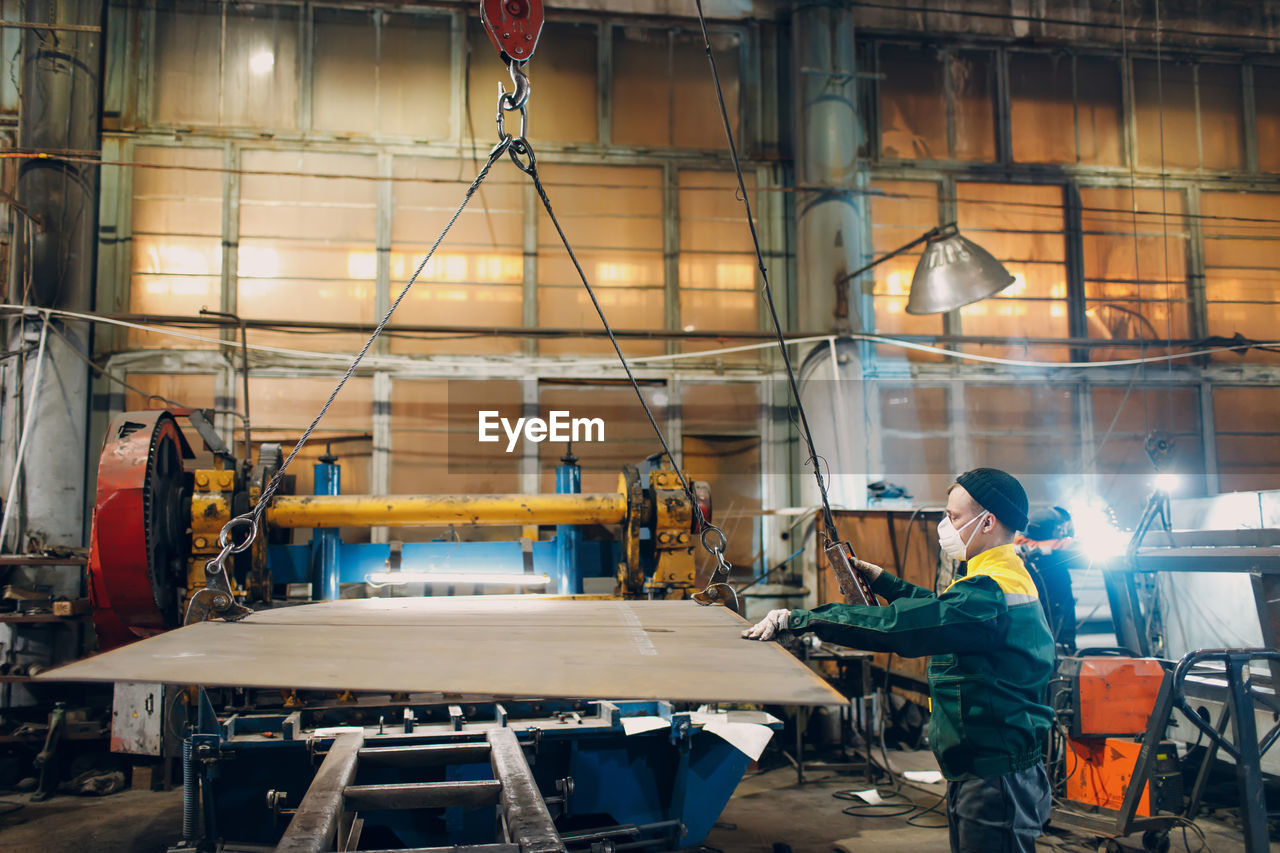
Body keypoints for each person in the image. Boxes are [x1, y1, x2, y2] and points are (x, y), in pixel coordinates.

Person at [743, 468, 1055, 853]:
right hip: (988, 767)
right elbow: (945, 610)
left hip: (995, 777)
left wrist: (804, 619)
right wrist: (884, 582)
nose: (945, 526)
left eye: (953, 517)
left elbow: (898, 627)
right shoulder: (998, 577)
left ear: (987, 521)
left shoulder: (988, 592)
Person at [1018, 506, 1082, 654]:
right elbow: (1067, 545)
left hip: (1051, 633)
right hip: (1044, 634)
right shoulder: (1030, 549)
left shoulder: (1024, 548)